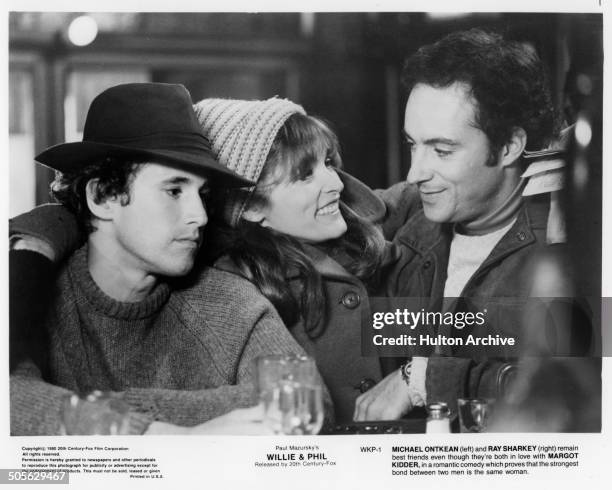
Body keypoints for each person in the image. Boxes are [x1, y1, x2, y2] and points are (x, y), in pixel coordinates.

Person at [9, 83, 308, 435]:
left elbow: (303, 400)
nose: (199, 215)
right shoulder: (28, 297)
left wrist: (131, 411)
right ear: (103, 197)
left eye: (203, 194)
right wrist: (159, 436)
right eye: (174, 190)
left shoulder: (232, 304)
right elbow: (11, 398)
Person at [353, 29, 594, 422]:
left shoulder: (564, 252)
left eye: (442, 150)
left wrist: (421, 379)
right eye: (412, 144)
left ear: (509, 147)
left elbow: (578, 387)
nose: (415, 172)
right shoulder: (408, 222)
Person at [194, 98, 397, 423]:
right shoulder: (235, 295)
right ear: (252, 208)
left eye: (328, 163)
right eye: (305, 175)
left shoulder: (365, 239)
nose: (336, 183)